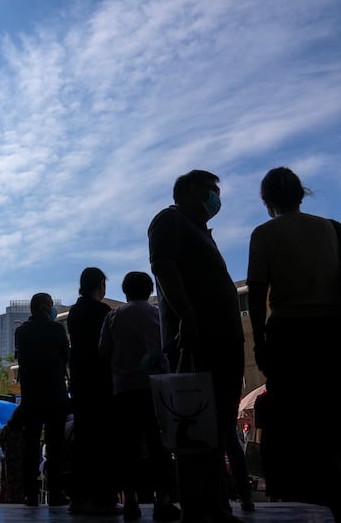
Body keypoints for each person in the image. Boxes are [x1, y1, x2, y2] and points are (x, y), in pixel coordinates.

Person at [246, 166, 341, 522]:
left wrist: (260, 342)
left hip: (290, 340)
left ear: (266, 201)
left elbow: (257, 294)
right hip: (336, 336)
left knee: (309, 431)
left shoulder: (263, 235)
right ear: (302, 195)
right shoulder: (331, 228)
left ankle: (337, 507)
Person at [148, 169, 245, 523]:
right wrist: (188, 318)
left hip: (223, 339)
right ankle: (198, 508)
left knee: (218, 430)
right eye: (211, 191)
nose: (215, 199)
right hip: (196, 342)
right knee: (195, 429)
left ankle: (215, 505)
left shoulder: (202, 232)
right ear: (191, 190)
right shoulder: (169, 220)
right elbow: (164, 268)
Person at [98, 271, 180, 521]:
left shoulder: (113, 316)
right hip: (156, 389)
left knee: (127, 446)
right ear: (148, 290)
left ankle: (131, 500)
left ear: (125, 292)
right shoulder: (158, 314)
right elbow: (171, 347)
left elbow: (103, 351)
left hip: (123, 389)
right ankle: (163, 501)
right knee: (160, 446)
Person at [65, 267, 121, 515]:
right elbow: (110, 348)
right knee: (104, 441)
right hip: (101, 381)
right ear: (100, 285)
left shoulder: (74, 312)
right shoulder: (103, 311)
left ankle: (78, 498)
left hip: (79, 382)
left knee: (83, 440)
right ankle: (105, 499)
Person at [15, 292, 70, 506]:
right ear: (45, 307)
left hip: (31, 395)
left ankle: (31, 494)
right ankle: (56, 493)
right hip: (55, 394)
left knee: (31, 446)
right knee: (55, 446)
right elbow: (66, 357)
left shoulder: (21, 332)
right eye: (49, 304)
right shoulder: (57, 329)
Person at [0, 404, 26, 503]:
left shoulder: (6, 429)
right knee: (19, 482)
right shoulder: (23, 430)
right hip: (20, 461)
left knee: (8, 481)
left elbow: (1, 443)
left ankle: (7, 499)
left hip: (8, 459)